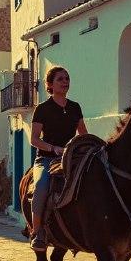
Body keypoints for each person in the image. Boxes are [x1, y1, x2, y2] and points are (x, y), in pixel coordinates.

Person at [29, 65, 88, 251]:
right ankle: (37, 232)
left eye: (67, 78)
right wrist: (53, 149)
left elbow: (83, 135)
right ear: (50, 84)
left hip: (71, 159)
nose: (65, 82)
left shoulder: (75, 107)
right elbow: (34, 139)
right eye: (60, 79)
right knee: (40, 187)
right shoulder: (42, 109)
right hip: (46, 160)